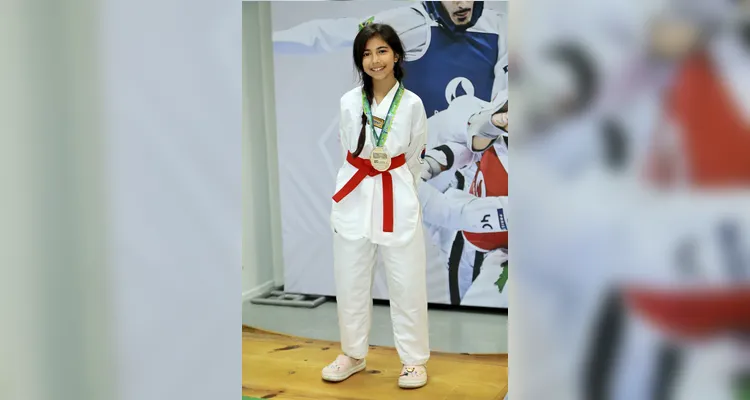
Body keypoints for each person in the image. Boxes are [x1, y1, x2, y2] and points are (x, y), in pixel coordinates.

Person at [323, 22, 430, 389]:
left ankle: (414, 361)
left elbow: (415, 155)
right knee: (350, 278)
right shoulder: (349, 102)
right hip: (354, 193)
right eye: (366, 54)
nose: (375, 60)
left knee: (407, 281)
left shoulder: (413, 103)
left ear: (396, 54)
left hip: (396, 193)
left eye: (382, 51)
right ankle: (353, 354)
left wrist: (402, 187)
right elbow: (345, 150)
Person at [272, 1, 508, 118]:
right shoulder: (413, 23)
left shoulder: (500, 26)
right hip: (423, 160)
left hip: (480, 163)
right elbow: (335, 33)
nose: (463, 4)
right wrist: (265, 43)